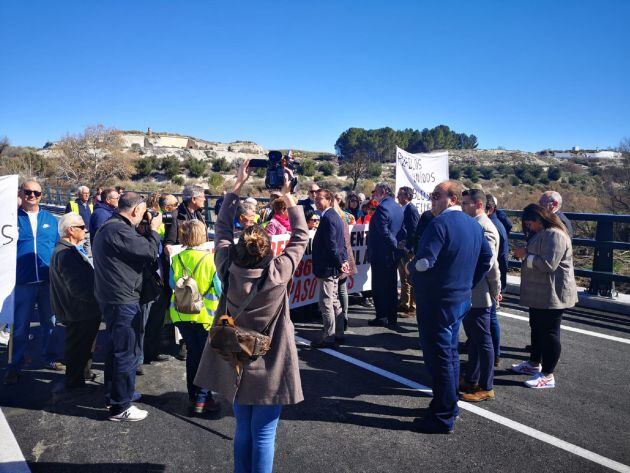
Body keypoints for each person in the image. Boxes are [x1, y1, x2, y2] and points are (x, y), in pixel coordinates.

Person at [195, 159, 308, 473]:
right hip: (270, 360)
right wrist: (288, 195)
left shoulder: (227, 268)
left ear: (237, 250)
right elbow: (300, 237)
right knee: (264, 433)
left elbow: (220, 230)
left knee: (243, 429)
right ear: (269, 250)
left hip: (235, 359)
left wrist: (237, 185)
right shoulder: (277, 273)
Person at [407, 180, 493, 434]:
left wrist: (412, 269)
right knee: (451, 354)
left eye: (436, 196)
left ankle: (442, 415)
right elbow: (486, 258)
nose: (432, 200)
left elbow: (425, 262)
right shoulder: (473, 224)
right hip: (460, 299)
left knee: (439, 358)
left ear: (452, 199)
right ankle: (448, 405)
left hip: (437, 301)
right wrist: (468, 283)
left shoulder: (439, 224)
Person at [93, 192, 162, 421]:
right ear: (135, 211)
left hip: (113, 296)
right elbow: (151, 252)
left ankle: (116, 396)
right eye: (142, 212)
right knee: (127, 352)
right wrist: (153, 230)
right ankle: (121, 406)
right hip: (122, 299)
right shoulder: (119, 230)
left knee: (117, 350)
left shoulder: (111, 226)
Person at [511, 204, 578, 389]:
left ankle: (548, 374)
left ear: (540, 220)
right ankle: (534, 364)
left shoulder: (555, 234)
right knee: (536, 327)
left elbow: (549, 265)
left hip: (553, 293)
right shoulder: (543, 233)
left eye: (530, 223)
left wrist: (525, 256)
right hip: (541, 292)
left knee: (549, 333)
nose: (528, 227)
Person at [4, 181, 60, 385]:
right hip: (21, 282)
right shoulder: (10, 219)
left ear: (42, 195)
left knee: (50, 323)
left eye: (36, 193)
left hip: (47, 281)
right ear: (21, 193)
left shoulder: (50, 219)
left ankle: (50, 357)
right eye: (28, 192)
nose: (32, 195)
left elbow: (57, 246)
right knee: (20, 327)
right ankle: (14, 363)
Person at [169, 220, 222, 413]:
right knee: (206, 358)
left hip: (182, 315)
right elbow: (219, 288)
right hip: (205, 317)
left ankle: (194, 395)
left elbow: (170, 284)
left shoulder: (177, 259)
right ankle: (203, 398)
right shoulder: (210, 260)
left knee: (192, 355)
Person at [49, 213, 101, 389]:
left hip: (80, 310)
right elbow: (78, 288)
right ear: (71, 230)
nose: (85, 230)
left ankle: (82, 374)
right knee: (78, 347)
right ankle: (74, 382)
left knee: (84, 346)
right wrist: (98, 298)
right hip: (78, 310)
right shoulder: (66, 253)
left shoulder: (67, 250)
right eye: (82, 227)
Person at [460, 189, 501, 402]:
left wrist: (496, 291)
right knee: (474, 340)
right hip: (471, 290)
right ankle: (472, 378)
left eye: (465, 203)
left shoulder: (486, 228)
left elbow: (488, 264)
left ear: (477, 205)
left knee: (483, 341)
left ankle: (486, 386)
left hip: (478, 292)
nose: (462, 206)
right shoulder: (475, 225)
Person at [311, 189, 349, 348]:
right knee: (333, 301)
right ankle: (338, 333)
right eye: (315, 199)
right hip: (332, 266)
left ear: (329, 200)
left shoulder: (328, 218)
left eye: (320, 199)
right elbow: (340, 243)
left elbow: (333, 245)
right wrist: (343, 261)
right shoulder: (333, 216)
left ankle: (329, 336)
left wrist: (340, 262)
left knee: (326, 302)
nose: (316, 202)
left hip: (327, 267)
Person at [366, 183, 403, 328]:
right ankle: (392, 317)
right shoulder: (397, 206)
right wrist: (398, 246)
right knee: (391, 287)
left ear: (384, 192)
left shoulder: (382, 208)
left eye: (376, 191)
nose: (374, 194)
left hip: (383, 254)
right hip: (392, 254)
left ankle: (382, 316)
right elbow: (401, 230)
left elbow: (384, 231)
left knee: (380, 287)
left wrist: (394, 244)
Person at [486, 194, 509, 366]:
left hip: (491, 279)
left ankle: (495, 353)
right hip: (494, 278)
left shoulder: (492, 226)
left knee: (490, 316)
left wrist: (499, 287)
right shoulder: (497, 223)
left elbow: (497, 260)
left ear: (490, 209)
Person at [332, 196, 357, 335]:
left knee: (337, 290)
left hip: (341, 257)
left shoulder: (335, 219)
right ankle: (344, 317)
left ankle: (340, 319)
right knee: (342, 289)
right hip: (347, 256)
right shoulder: (343, 218)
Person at [396, 186, 420, 317]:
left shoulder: (411, 210)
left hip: (408, 251)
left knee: (410, 277)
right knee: (404, 278)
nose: (398, 196)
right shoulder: (402, 209)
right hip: (401, 249)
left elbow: (414, 231)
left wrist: (409, 248)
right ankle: (404, 303)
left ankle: (412, 306)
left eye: (400, 194)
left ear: (408, 196)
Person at [165, 185, 207, 252]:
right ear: (193, 199)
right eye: (202, 197)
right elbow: (169, 242)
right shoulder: (175, 216)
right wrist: (168, 248)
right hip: (183, 257)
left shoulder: (198, 214)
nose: (204, 199)